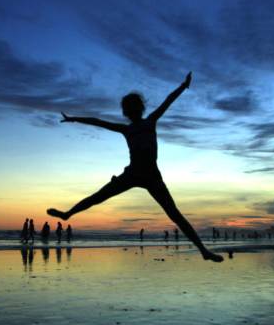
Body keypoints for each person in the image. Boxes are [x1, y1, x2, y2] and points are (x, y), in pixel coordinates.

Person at [47, 72, 222, 262]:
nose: (131, 109)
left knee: (176, 215)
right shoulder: (126, 129)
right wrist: (73, 119)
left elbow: (168, 100)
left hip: (153, 178)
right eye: (127, 107)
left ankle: (204, 251)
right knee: (98, 197)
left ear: (142, 107)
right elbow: (98, 122)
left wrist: (183, 85)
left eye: (134, 105)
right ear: (125, 112)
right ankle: (67, 214)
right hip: (131, 175)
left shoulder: (151, 121)